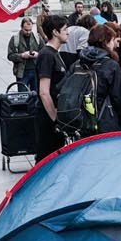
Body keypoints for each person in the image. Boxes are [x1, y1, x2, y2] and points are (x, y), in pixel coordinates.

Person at [34, 14, 69, 158]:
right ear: (55, 32)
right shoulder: (47, 55)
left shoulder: (55, 53)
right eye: (65, 29)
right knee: (46, 158)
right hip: (47, 117)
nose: (68, 32)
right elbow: (44, 92)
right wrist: (55, 118)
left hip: (55, 114)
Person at [7, 17, 42, 91]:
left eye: (30, 30)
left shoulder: (37, 38)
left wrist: (38, 54)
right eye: (26, 30)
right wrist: (21, 55)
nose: (28, 32)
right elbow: (10, 56)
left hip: (36, 71)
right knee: (23, 95)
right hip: (22, 72)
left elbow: (45, 52)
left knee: (36, 96)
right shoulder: (15, 39)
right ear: (21, 27)